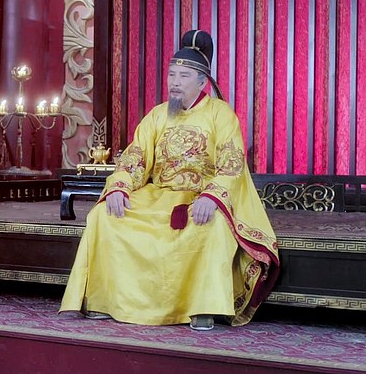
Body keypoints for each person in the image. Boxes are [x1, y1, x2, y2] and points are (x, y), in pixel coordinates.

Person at [60, 30, 279, 330]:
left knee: (213, 224)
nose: (174, 82)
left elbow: (232, 163)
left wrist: (212, 197)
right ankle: (105, 299)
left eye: (183, 76)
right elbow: (136, 157)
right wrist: (119, 187)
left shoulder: (221, 114)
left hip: (199, 197)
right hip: (159, 194)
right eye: (172, 74)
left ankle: (202, 306)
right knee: (103, 215)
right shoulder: (157, 115)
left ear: (202, 82)